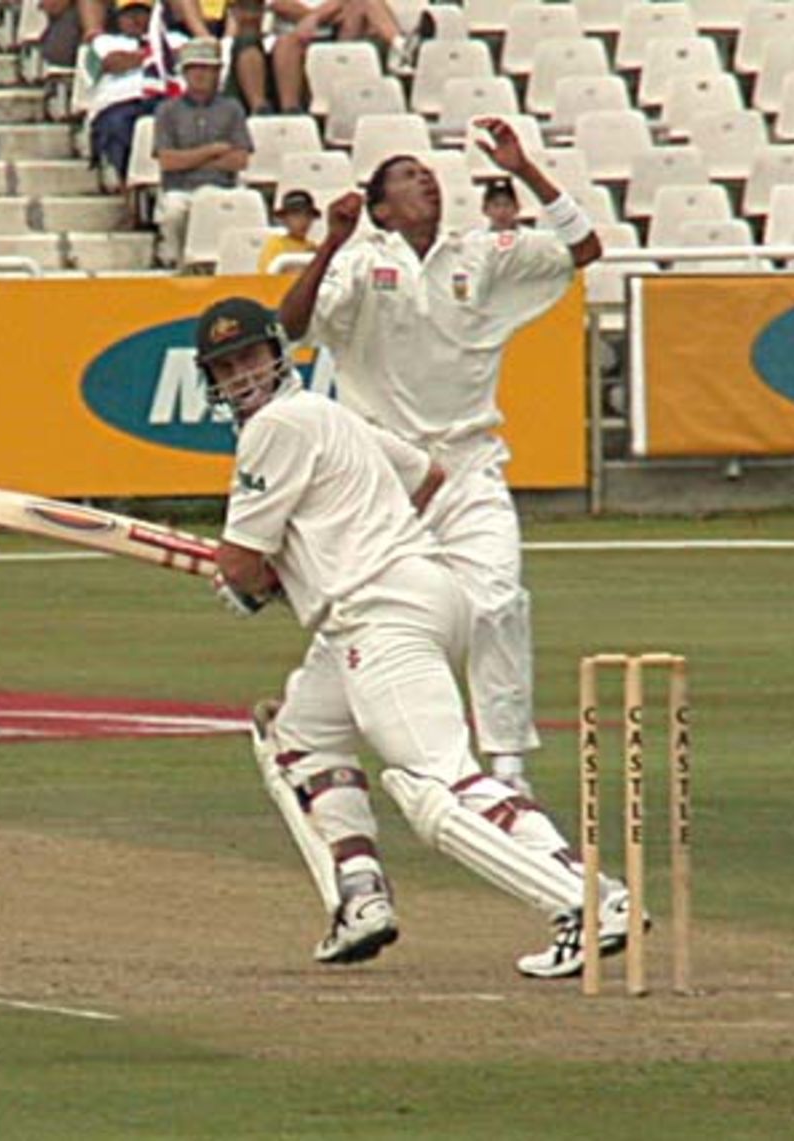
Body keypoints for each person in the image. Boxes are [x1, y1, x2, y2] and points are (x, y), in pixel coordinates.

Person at [199, 295, 631, 978]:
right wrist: (327, 553)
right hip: (418, 590)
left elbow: (243, 563)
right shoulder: (331, 414)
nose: (241, 376)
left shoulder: (272, 428)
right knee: (298, 735)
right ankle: (362, 896)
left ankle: (583, 901)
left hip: (379, 611)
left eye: (249, 356)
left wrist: (251, 584)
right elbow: (426, 476)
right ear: (212, 381)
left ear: (278, 353)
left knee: (434, 786)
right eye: (225, 367)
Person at [279, 118, 601, 808]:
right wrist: (332, 240)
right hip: (387, 473)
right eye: (405, 176)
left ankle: (507, 768)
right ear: (381, 207)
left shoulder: (479, 256)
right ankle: (307, 730)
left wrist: (527, 170)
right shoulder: (363, 263)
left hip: (471, 461)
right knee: (368, 609)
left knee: (496, 601)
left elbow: (585, 247)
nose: (424, 179)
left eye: (427, 172)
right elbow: (292, 325)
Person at [152, 36, 251, 268]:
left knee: (242, 203)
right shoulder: (167, 111)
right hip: (180, 189)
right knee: (174, 212)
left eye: (206, 68)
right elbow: (167, 161)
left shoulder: (232, 109)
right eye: (194, 68)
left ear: (217, 72)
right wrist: (213, 151)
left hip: (222, 187)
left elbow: (239, 160)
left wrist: (189, 159)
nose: (200, 74)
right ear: (184, 73)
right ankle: (176, 265)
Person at [85, 0, 176, 189]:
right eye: (128, 14)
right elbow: (112, 63)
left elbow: (185, 56)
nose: (135, 19)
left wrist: (141, 56)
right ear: (118, 18)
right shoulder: (104, 42)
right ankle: (126, 183)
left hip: (166, 101)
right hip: (120, 103)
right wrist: (154, 55)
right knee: (118, 125)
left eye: (141, 13)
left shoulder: (173, 38)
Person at [269, 0, 421, 114]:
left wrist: (316, 17)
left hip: (335, 29)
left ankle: (402, 46)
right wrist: (316, 16)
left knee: (366, 2)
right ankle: (290, 110)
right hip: (296, 34)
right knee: (285, 45)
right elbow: (280, 5)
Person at [257, 186, 318, 273]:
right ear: (284, 219)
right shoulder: (275, 244)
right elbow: (266, 277)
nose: (303, 221)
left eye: (308, 215)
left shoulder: (313, 248)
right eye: (296, 215)